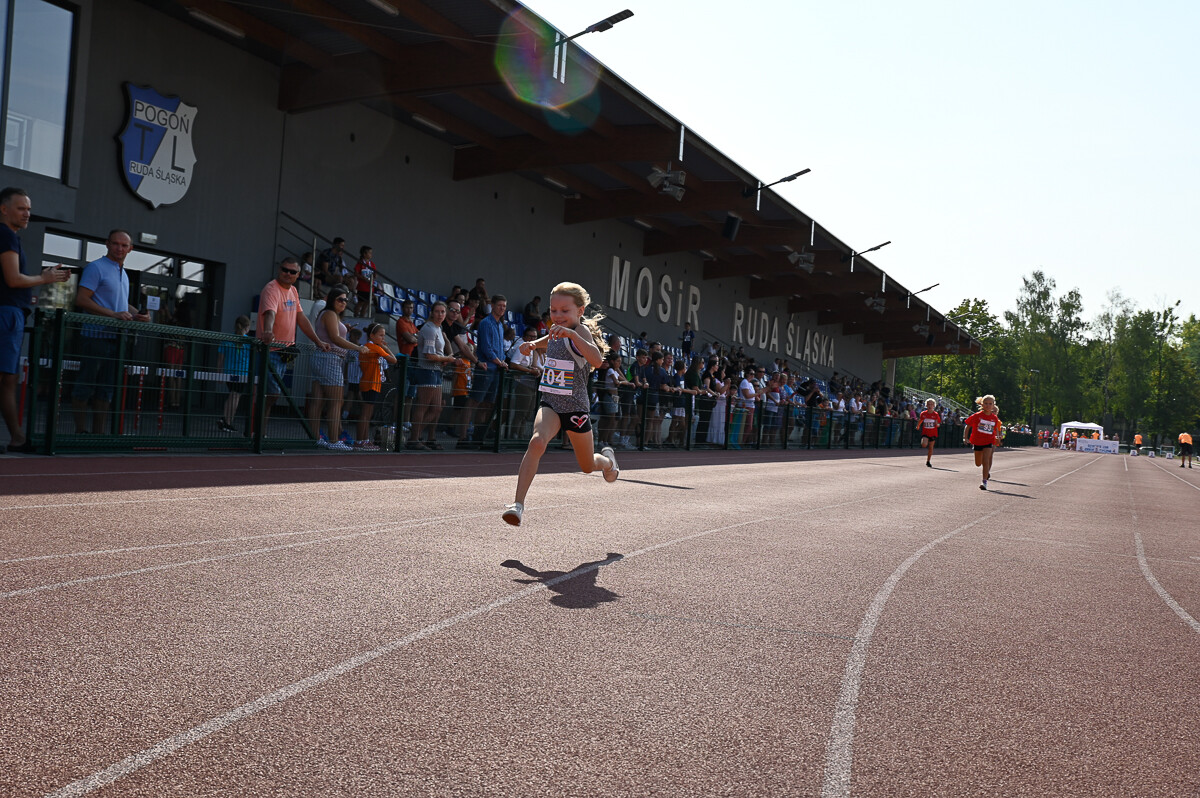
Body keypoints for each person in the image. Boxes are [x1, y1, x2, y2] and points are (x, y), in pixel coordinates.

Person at [502, 282, 620, 526]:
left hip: (575, 407)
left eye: (564, 311)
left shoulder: (581, 332)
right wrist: (534, 344)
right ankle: (518, 505)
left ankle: (608, 461)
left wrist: (574, 335)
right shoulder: (556, 329)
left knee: (587, 466)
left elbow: (597, 361)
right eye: (553, 310)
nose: (557, 316)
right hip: (551, 402)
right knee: (536, 442)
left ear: (580, 310)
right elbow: (551, 338)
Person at [0, 187, 68, 451]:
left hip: (10, 313)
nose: (27, 213)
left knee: (8, 379)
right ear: (4, 209)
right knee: (6, 378)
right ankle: (18, 438)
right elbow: (13, 279)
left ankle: (18, 438)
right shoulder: (6, 235)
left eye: (28, 209)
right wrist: (44, 278)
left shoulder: (9, 236)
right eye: (21, 208)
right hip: (6, 314)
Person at [71, 229, 152, 434]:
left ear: (131, 249)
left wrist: (138, 315)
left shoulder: (122, 273)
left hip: (115, 338)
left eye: (124, 245)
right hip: (94, 336)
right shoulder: (96, 268)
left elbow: (121, 304)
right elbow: (81, 300)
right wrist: (112, 315)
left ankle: (98, 435)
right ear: (107, 244)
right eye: (116, 244)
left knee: (106, 389)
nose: (120, 248)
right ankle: (80, 432)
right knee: (85, 385)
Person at [257, 257, 331, 427]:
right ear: (279, 269)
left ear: (298, 274)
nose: (287, 274)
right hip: (271, 350)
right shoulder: (271, 289)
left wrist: (318, 341)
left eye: (292, 272)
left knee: (271, 394)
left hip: (284, 352)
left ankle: (259, 433)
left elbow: (301, 319)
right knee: (271, 394)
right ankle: (256, 433)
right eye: (285, 270)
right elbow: (270, 313)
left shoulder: (293, 291)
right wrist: (268, 331)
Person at [309, 287, 365, 450]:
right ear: (332, 299)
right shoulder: (329, 314)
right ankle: (334, 440)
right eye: (340, 299)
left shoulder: (327, 315)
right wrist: (358, 348)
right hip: (330, 359)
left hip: (321, 358)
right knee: (336, 401)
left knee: (318, 401)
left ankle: (315, 438)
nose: (344, 303)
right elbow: (334, 338)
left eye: (346, 300)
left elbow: (332, 334)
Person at [410, 301, 454, 450]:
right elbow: (429, 355)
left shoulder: (438, 328)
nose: (440, 314)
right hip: (426, 370)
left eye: (443, 312)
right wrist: (448, 359)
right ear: (431, 312)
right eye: (437, 311)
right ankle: (413, 438)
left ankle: (414, 435)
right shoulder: (429, 329)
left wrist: (445, 357)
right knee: (422, 406)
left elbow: (440, 351)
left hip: (436, 371)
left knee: (436, 408)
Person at [465, 294, 508, 444]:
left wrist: (502, 361)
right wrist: (499, 361)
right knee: (474, 401)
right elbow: (486, 347)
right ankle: (463, 436)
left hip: (496, 369)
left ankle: (478, 436)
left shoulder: (500, 325)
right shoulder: (485, 323)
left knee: (487, 404)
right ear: (493, 306)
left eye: (504, 306)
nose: (502, 308)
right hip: (486, 368)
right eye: (499, 305)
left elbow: (500, 348)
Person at [356, 323, 397, 450]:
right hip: (371, 383)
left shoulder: (367, 347)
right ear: (371, 335)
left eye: (384, 336)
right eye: (380, 335)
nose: (382, 339)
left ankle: (363, 440)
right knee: (366, 414)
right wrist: (386, 348)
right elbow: (393, 360)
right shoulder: (374, 348)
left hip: (368, 382)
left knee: (367, 413)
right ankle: (361, 441)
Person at [216, 315, 252, 433]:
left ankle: (225, 419)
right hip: (242, 373)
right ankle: (227, 421)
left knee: (232, 394)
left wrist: (219, 373)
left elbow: (220, 358)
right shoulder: (249, 342)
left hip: (229, 372)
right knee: (235, 396)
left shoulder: (227, 339)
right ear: (247, 327)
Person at [963, 394, 1001, 490]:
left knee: (986, 460)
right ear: (982, 404)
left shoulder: (994, 418)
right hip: (977, 441)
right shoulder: (977, 416)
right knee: (978, 463)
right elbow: (967, 426)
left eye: (990, 404)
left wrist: (997, 437)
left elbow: (995, 429)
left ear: (993, 405)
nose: (988, 405)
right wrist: (965, 437)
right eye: (986, 403)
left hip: (988, 441)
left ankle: (984, 482)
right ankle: (984, 476)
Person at [353, 245, 376, 318]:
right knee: (360, 303)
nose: (371, 254)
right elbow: (356, 273)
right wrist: (363, 278)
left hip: (370, 287)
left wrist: (374, 276)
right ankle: (355, 316)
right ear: (364, 254)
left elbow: (375, 273)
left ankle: (362, 317)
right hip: (362, 287)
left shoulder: (372, 264)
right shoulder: (360, 263)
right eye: (369, 253)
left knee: (366, 304)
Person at [918, 397, 941, 467]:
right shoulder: (923, 413)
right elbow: (921, 420)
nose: (930, 406)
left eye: (931, 404)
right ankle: (925, 441)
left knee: (931, 448)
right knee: (924, 445)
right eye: (928, 404)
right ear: (926, 405)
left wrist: (937, 425)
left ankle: (928, 461)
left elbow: (938, 424)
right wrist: (918, 426)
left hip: (933, 433)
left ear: (934, 406)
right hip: (925, 432)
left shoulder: (936, 414)